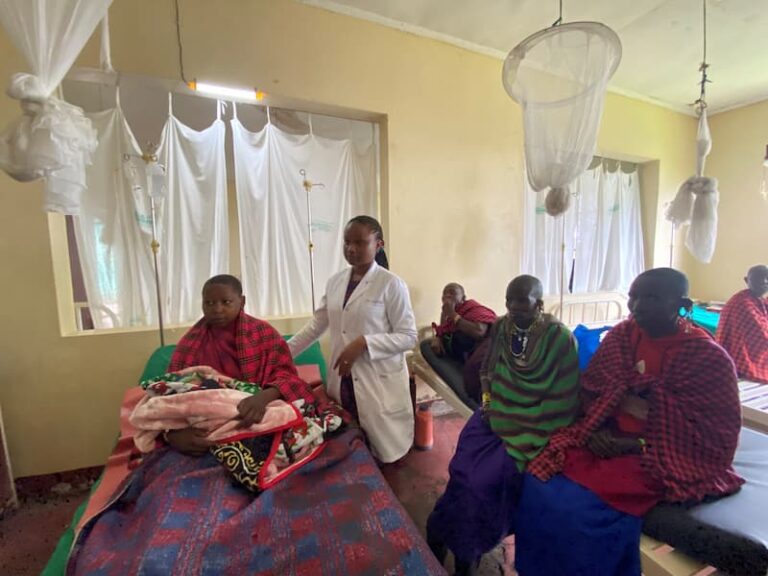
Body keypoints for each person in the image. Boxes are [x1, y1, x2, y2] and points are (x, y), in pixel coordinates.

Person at [516, 268, 743, 576]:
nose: (637, 307)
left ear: (683, 304)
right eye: (633, 297)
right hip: (606, 437)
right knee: (539, 481)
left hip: (660, 455)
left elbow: (716, 435)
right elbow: (592, 389)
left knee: (578, 512)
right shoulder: (624, 336)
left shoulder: (707, 358)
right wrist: (598, 429)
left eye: (651, 297)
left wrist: (635, 443)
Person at [426, 275, 580, 576]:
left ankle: (466, 547)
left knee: (482, 484)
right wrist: (487, 401)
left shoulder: (560, 337)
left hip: (535, 425)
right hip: (494, 414)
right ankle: (445, 532)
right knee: (461, 469)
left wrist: (525, 420)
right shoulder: (502, 327)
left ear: (540, 304)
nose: (513, 308)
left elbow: (564, 397)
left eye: (522, 302)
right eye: (509, 301)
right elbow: (487, 370)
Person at [288, 216, 417, 464]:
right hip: (343, 376)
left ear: (378, 244)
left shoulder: (391, 285)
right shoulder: (336, 282)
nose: (352, 249)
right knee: (348, 434)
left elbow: (409, 336)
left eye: (360, 242)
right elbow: (317, 325)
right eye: (347, 242)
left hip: (377, 377)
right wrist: (281, 352)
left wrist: (364, 343)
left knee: (383, 445)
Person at [165, 274, 332, 456]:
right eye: (209, 303)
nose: (217, 309)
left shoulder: (264, 334)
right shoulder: (190, 344)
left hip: (260, 414)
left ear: (242, 301)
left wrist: (262, 398)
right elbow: (169, 393)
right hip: (206, 426)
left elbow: (289, 378)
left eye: (226, 302)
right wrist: (173, 434)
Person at [716, 264, 768, 383]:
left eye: (767, 278)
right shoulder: (742, 303)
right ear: (746, 280)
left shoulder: (760, 300)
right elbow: (761, 335)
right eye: (758, 278)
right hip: (738, 359)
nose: (764, 281)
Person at [429, 283, 497, 362]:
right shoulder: (446, 313)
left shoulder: (473, 309)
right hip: (461, 356)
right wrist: (438, 338)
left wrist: (452, 314)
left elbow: (479, 332)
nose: (447, 295)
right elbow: (443, 329)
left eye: (452, 292)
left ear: (463, 298)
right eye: (444, 293)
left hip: (486, 357)